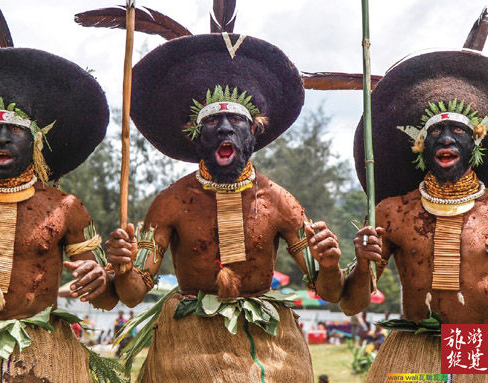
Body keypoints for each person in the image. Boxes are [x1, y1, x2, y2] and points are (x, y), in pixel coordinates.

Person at [106, 34, 369, 382]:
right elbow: (132, 294)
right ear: (198, 136)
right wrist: (123, 268)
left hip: (266, 341)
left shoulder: (279, 201)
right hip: (188, 340)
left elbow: (331, 293)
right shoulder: (171, 202)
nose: (226, 127)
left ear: (253, 135)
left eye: (237, 121)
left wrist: (331, 265)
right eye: (214, 122)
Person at [0, 48, 118, 382]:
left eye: (14, 130)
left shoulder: (66, 207)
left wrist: (101, 279)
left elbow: (109, 299)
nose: (1, 138)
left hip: (43, 356)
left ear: (36, 142)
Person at [340, 50, 488, 381]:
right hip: (410, 349)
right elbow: (352, 305)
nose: (445, 139)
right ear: (420, 147)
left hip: (475, 346)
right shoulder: (392, 212)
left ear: (476, 145)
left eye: (458, 131)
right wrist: (357, 263)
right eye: (435, 134)